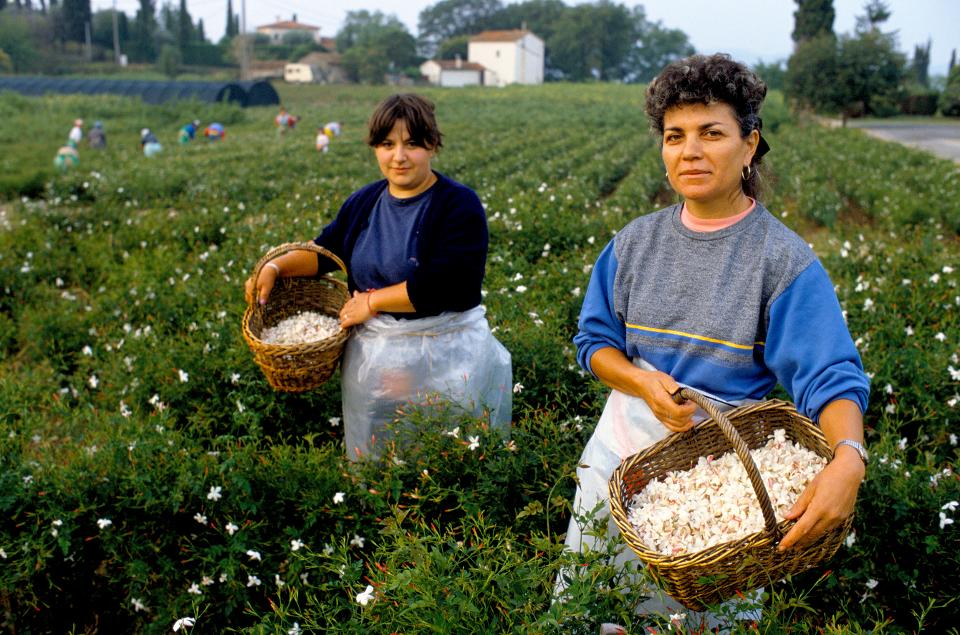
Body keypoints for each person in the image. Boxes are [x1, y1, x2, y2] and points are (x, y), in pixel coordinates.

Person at [561, 53, 870, 628]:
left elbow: (829, 376)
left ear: (750, 144)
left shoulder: (782, 261)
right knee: (597, 607)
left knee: (693, 618)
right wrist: (640, 381)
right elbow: (595, 341)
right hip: (621, 460)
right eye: (674, 136)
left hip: (720, 486)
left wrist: (847, 460)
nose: (690, 151)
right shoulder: (633, 244)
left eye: (711, 133)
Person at [245, 93, 512, 460]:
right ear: (375, 147)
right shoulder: (365, 201)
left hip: (445, 358)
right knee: (379, 458)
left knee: (447, 456)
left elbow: (446, 285)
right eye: (387, 144)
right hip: (375, 359)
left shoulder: (458, 205)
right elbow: (324, 252)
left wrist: (370, 302)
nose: (398, 157)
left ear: (432, 145)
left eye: (412, 144)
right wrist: (274, 267)